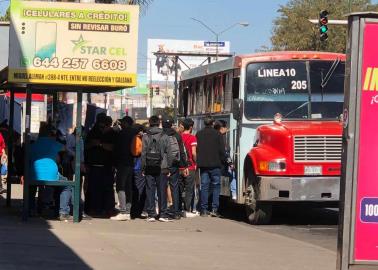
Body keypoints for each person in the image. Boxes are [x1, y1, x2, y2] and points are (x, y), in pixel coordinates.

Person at [30, 123, 73, 221]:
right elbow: (66, 150)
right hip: (51, 175)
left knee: (31, 187)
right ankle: (63, 212)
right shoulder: (55, 144)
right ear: (50, 134)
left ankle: (30, 209)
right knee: (67, 185)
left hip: (33, 175)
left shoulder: (33, 144)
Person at [141, 115, 172, 222]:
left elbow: (143, 153)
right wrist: (169, 168)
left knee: (150, 190)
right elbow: (169, 153)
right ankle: (163, 214)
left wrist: (143, 167)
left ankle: (151, 214)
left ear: (149, 123)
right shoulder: (165, 135)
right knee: (162, 190)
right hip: (162, 167)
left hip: (149, 167)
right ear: (159, 123)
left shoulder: (145, 136)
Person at [84, 113, 115, 217]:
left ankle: (107, 209)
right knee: (93, 189)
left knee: (107, 188)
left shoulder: (111, 133)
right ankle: (93, 208)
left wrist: (100, 144)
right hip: (93, 165)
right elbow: (86, 146)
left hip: (106, 166)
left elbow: (113, 147)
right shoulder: (93, 132)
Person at [196, 116, 226, 217]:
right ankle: (214, 209)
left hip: (203, 165)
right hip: (215, 165)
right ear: (213, 123)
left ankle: (203, 210)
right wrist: (224, 161)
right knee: (216, 186)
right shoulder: (218, 134)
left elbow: (197, 149)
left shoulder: (199, 134)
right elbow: (222, 150)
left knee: (204, 186)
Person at [162, 115, 188, 220]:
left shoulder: (161, 134)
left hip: (162, 165)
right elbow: (181, 151)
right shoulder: (177, 135)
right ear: (172, 124)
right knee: (175, 187)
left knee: (162, 187)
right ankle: (176, 211)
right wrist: (184, 165)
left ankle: (163, 211)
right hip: (174, 164)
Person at [111, 116, 136, 221]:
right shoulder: (134, 133)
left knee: (120, 186)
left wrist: (114, 163)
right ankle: (128, 210)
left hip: (122, 163)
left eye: (122, 123)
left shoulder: (122, 134)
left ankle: (123, 210)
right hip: (132, 163)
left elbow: (116, 149)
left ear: (126, 123)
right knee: (128, 186)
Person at [180, 118, 198, 217]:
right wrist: (195, 161)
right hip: (190, 166)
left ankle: (178, 208)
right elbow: (194, 153)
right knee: (189, 189)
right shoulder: (192, 138)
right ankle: (187, 209)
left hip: (180, 167)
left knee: (179, 188)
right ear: (191, 127)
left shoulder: (179, 136)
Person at [214, 120, 236, 200]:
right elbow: (225, 153)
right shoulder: (221, 138)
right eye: (226, 127)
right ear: (221, 128)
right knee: (233, 174)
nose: (227, 129)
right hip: (220, 165)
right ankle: (234, 193)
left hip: (216, 164)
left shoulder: (214, 136)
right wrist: (230, 163)